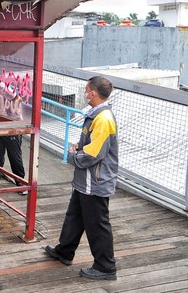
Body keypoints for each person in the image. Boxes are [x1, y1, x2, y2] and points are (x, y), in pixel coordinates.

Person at [45, 76, 119, 281]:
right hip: (85, 180)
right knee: (75, 216)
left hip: (95, 181)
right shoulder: (96, 115)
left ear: (93, 94)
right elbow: (89, 144)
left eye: (86, 90)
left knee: (97, 223)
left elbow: (94, 154)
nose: (85, 93)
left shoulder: (103, 119)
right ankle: (65, 250)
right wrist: (79, 147)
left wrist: (72, 156)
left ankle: (106, 266)